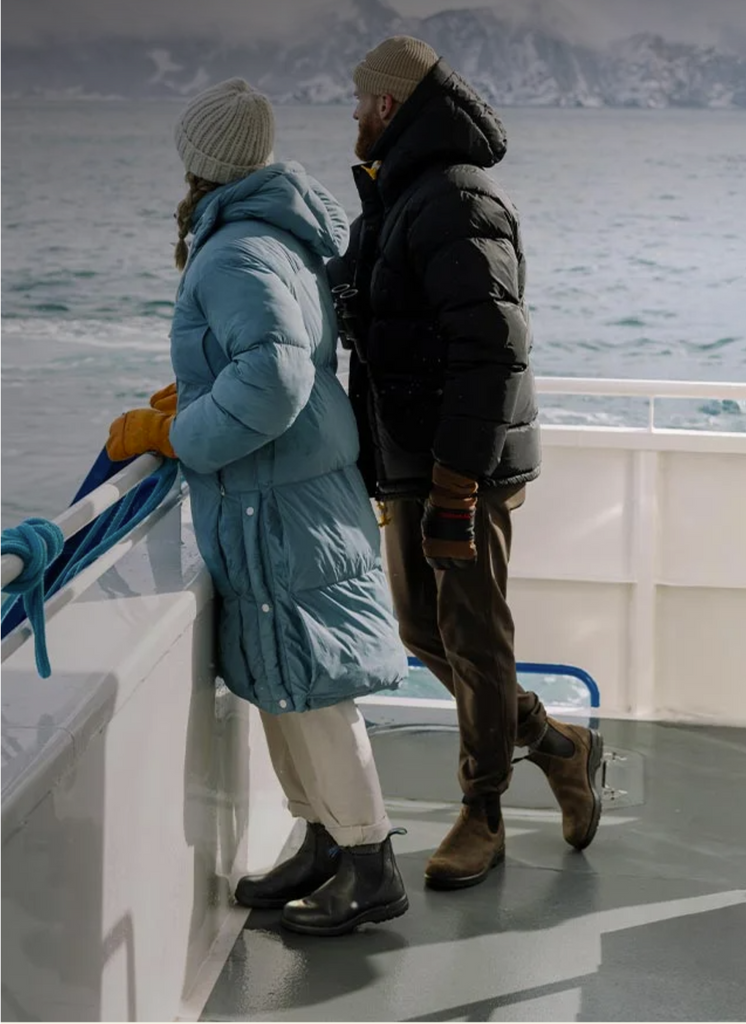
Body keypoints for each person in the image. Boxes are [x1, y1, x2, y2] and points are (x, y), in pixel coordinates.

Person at [105, 78, 409, 936]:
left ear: (198, 161)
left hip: (281, 500)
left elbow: (274, 376)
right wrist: (190, 400)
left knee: (313, 688)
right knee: (289, 677)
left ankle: (371, 862)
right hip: (283, 492)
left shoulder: (237, 250)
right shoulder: (272, 232)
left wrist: (176, 436)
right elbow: (262, 357)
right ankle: (323, 842)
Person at [331, 37, 605, 891]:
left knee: (475, 640)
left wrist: (458, 484)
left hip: (459, 467)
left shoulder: (453, 197)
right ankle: (558, 744)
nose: (350, 112)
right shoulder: (402, 195)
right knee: (422, 630)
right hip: (415, 459)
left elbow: (490, 347)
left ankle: (481, 814)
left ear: (389, 107)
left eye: (358, 99)